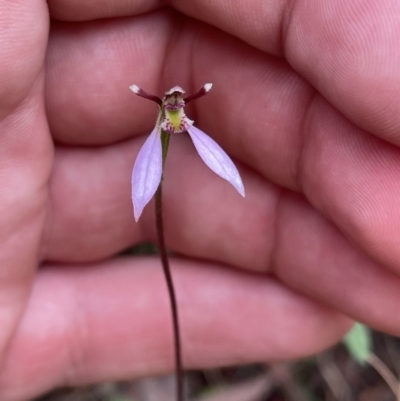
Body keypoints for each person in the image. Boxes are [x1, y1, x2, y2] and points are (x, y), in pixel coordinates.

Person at [1, 0, 400, 399]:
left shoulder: (184, 125)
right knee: (147, 198)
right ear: (162, 107)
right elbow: (146, 181)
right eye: (170, 106)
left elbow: (219, 164)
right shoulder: (162, 127)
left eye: (179, 105)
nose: (175, 111)